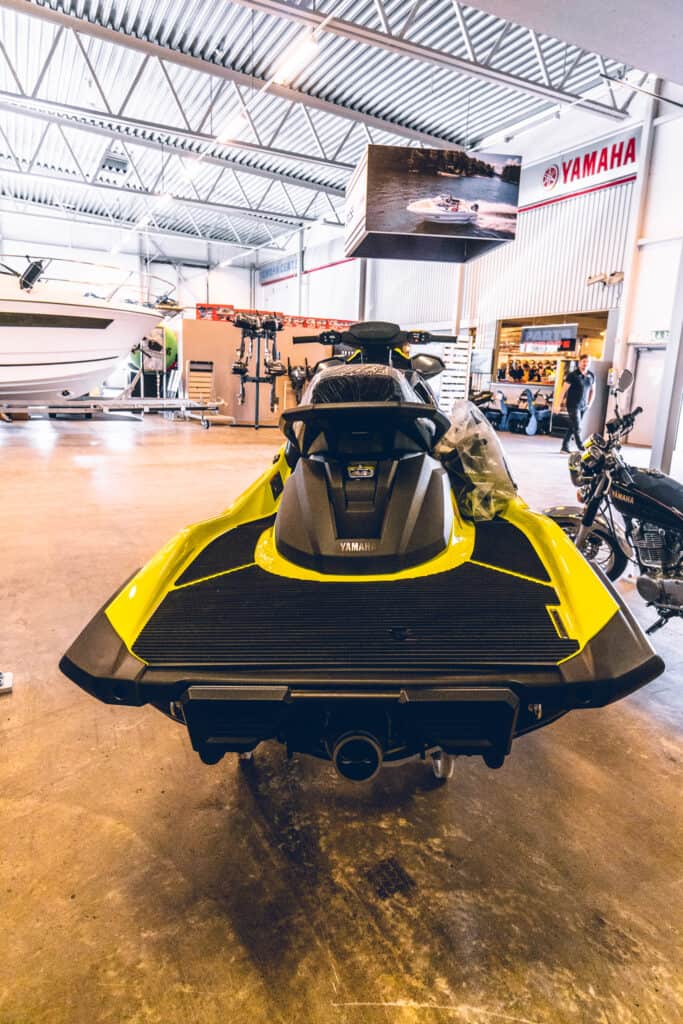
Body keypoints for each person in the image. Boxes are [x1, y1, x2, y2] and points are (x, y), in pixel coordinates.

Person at [559, 354, 595, 453]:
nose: (585, 364)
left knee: (573, 426)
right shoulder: (572, 375)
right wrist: (557, 404)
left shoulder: (591, 375)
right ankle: (581, 447)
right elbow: (563, 390)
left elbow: (593, 390)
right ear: (579, 362)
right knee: (577, 427)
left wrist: (589, 403)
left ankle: (564, 447)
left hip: (583, 406)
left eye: (587, 362)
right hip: (572, 405)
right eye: (583, 361)